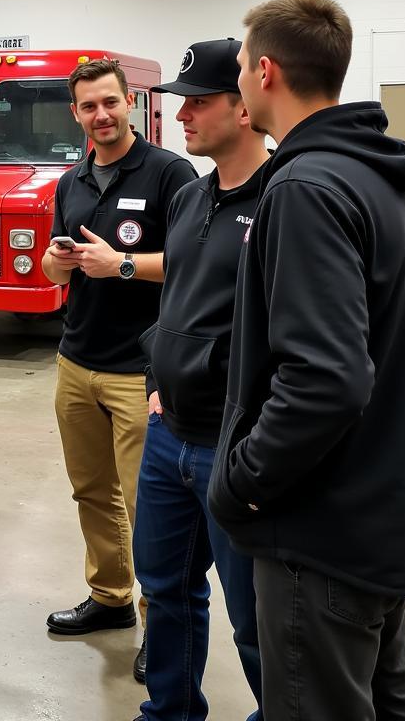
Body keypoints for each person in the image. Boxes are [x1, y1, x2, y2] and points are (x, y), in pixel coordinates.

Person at [208, 0, 405, 721]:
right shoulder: (381, 179)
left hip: (316, 540)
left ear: (265, 72)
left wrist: (240, 483)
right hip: (377, 523)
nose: (235, 85)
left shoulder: (304, 188)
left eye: (237, 69)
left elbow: (327, 378)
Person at [41, 57, 195, 683]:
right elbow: (58, 272)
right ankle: (110, 599)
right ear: (75, 113)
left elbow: (192, 264)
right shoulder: (72, 179)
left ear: (129, 101)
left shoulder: (170, 174)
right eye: (87, 107)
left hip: (142, 371)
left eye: (110, 102)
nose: (100, 115)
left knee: (147, 504)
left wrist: (122, 265)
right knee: (91, 491)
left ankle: (160, 619)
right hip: (77, 362)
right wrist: (59, 263)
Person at [131, 40, 267, 721]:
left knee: (255, 617)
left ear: (244, 108)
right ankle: (171, 710)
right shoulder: (191, 198)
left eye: (199, 102)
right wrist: (158, 374)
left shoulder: (282, 201)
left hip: (233, 447)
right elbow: (174, 301)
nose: (181, 115)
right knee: (165, 588)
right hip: (169, 434)